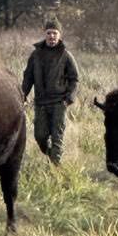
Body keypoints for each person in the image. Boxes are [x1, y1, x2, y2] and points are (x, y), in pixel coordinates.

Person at [21, 19, 79, 165]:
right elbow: (28, 77)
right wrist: (23, 95)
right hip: (40, 103)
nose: (52, 36)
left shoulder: (66, 55)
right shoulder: (35, 55)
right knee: (40, 136)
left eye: (55, 33)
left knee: (57, 137)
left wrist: (69, 99)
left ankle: (55, 170)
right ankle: (51, 155)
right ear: (44, 34)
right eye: (49, 33)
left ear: (60, 35)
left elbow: (75, 78)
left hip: (59, 102)